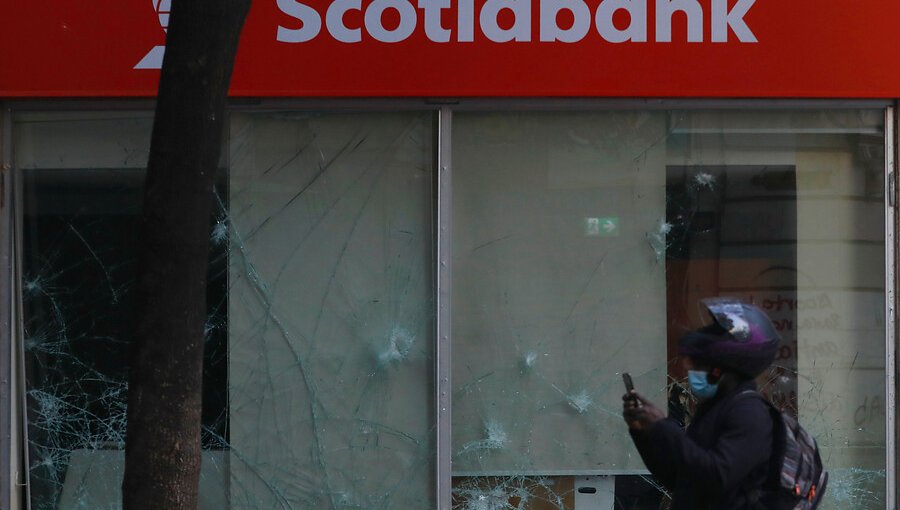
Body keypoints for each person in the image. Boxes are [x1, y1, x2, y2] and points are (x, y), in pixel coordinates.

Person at [622, 298, 780, 510]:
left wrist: (663, 425)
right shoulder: (715, 408)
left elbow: (716, 477)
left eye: (699, 363)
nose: (688, 367)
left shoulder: (749, 412)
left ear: (721, 368)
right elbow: (682, 479)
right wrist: (644, 433)